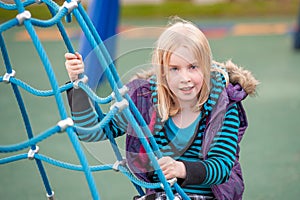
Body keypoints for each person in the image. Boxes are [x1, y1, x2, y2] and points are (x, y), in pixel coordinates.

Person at [65, 17, 259, 200]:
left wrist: (180, 168)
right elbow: (93, 133)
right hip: (163, 194)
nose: (185, 78)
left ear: (206, 67)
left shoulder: (222, 106)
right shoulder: (145, 102)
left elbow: (222, 166)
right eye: (175, 68)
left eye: (193, 67)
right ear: (162, 72)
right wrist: (77, 84)